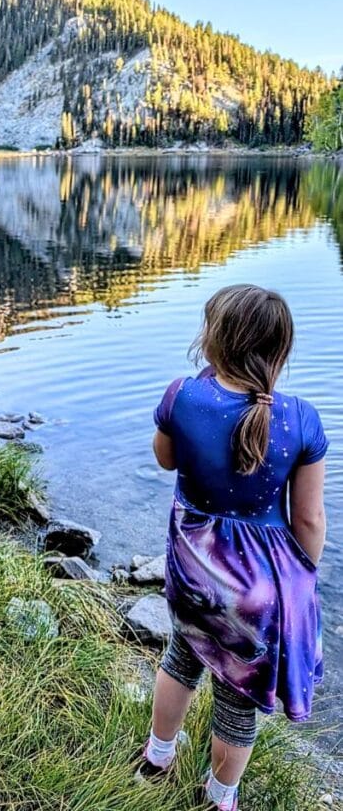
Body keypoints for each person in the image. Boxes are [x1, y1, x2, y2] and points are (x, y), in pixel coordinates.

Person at [136, 284, 328, 811]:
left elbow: (165, 460)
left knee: (181, 658)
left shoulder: (182, 396)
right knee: (240, 702)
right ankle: (220, 798)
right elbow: (309, 519)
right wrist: (300, 576)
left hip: (195, 572)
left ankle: (156, 757)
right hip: (262, 590)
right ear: (280, 352)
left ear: (213, 340)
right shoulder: (301, 418)